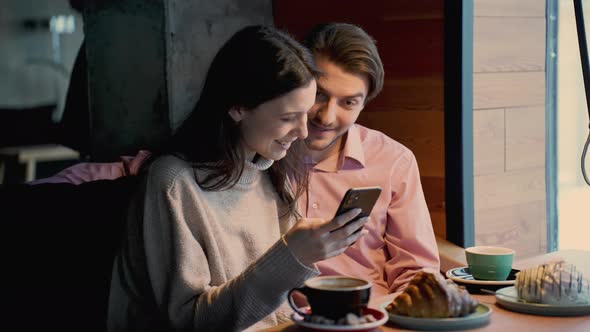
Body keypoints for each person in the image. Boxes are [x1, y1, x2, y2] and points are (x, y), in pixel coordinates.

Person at [107, 25, 369, 332]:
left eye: (304, 114)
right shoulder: (173, 182)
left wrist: (313, 257)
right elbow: (190, 323)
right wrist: (291, 256)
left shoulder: (271, 168)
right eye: (288, 118)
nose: (303, 132)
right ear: (238, 107)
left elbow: (283, 305)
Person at [299, 23, 440, 305]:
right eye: (319, 95)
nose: (326, 117)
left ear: (364, 104)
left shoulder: (394, 161)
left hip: (370, 316)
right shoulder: (261, 153)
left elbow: (416, 274)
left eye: (348, 103)